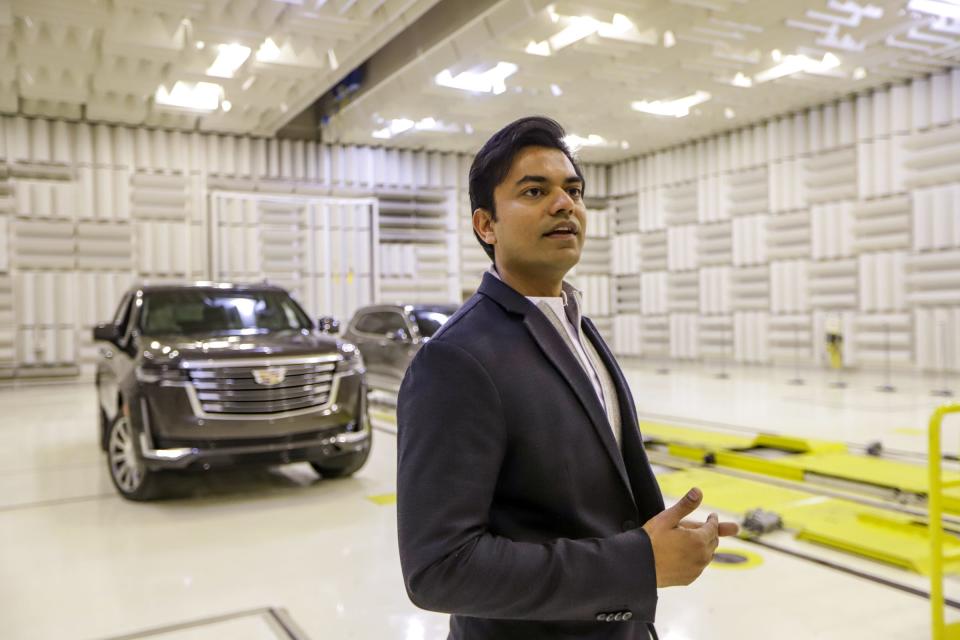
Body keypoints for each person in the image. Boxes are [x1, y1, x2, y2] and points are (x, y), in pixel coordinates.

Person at [396, 116, 738, 639]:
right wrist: (638, 564)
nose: (565, 204)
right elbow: (439, 568)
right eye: (535, 191)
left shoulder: (576, 327)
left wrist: (660, 539)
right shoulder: (457, 359)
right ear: (485, 225)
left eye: (572, 190)